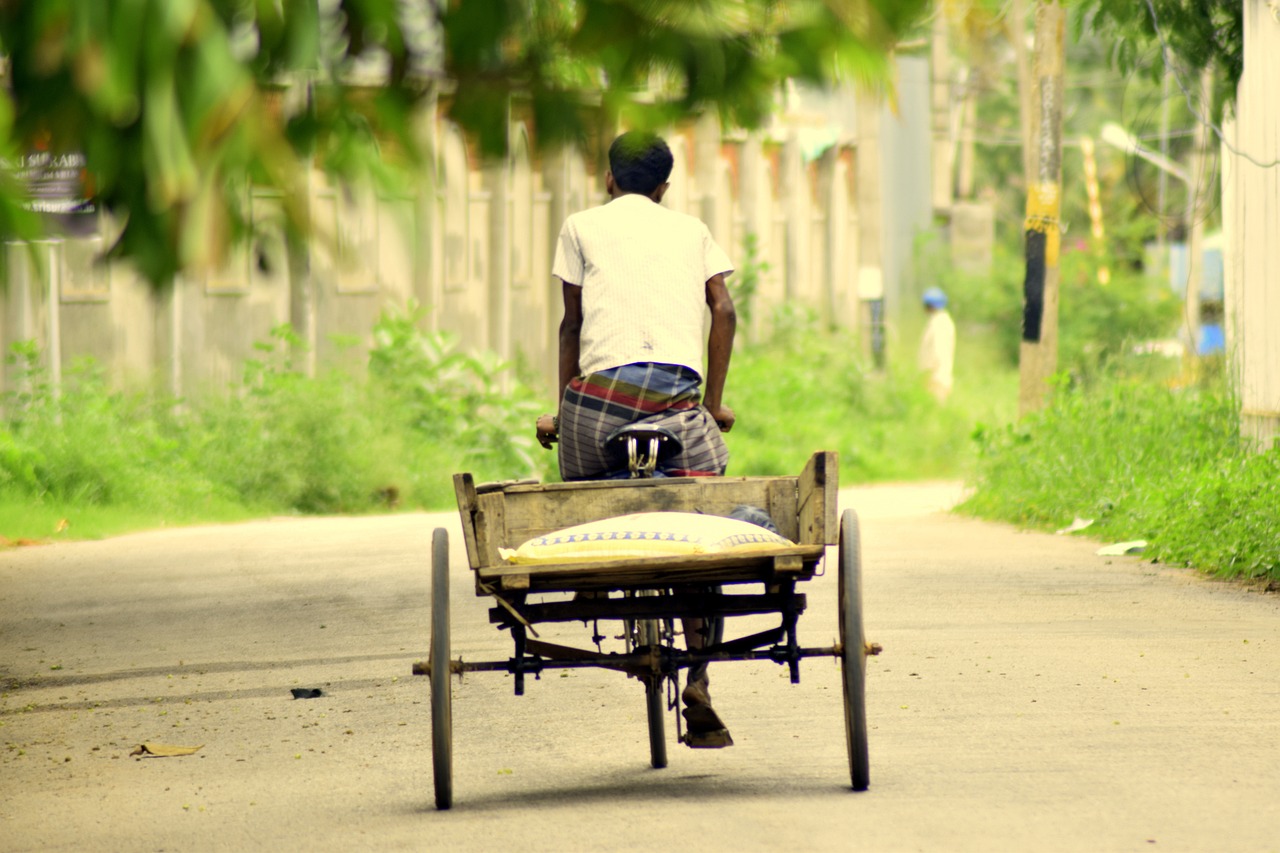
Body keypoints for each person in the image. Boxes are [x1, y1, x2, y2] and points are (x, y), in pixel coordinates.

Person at [535, 130, 738, 748]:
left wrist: (563, 407)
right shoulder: (692, 230)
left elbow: (572, 322)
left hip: (598, 403)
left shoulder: (579, 225)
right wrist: (711, 405)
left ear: (608, 180)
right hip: (678, 399)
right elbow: (723, 311)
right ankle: (700, 676)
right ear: (664, 188)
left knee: (581, 482)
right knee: (703, 508)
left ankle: (592, 569)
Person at [918, 286, 956, 403]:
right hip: (937, 376)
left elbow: (937, 351)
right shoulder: (940, 321)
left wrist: (928, 370)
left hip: (936, 377)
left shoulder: (940, 324)